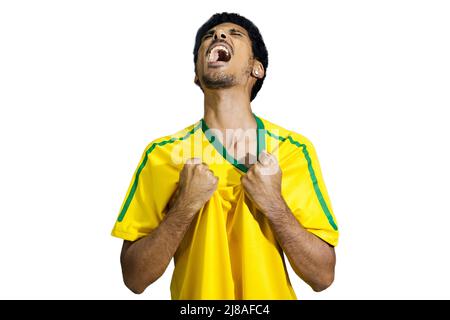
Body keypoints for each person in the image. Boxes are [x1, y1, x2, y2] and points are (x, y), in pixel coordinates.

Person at [111, 12, 339, 299]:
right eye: (209, 36)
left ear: (257, 69)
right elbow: (134, 278)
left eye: (235, 34)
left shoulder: (292, 151)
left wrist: (275, 205)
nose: (218, 37)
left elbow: (322, 276)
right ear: (196, 73)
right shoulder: (162, 154)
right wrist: (183, 206)